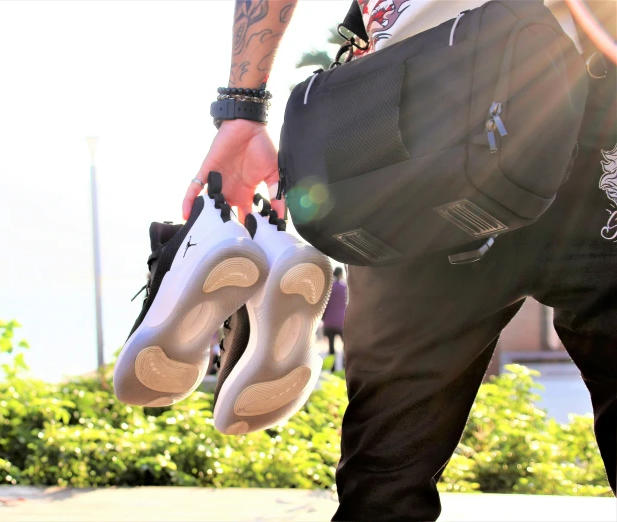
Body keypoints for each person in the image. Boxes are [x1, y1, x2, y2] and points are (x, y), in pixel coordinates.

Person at [182, 0, 616, 519]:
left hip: (417, 125)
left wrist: (242, 107)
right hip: (530, 103)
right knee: (385, 477)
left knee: (387, 478)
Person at [321, 267, 346, 371]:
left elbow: (324, 305)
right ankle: (345, 366)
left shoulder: (329, 288)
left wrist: (324, 318)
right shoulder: (344, 288)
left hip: (329, 322)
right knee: (346, 346)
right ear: (341, 274)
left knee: (331, 348)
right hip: (342, 322)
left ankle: (333, 369)